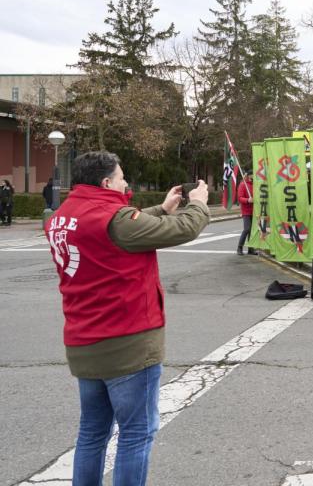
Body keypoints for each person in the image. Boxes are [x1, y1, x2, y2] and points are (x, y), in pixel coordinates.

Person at [46, 151, 209, 485]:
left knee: (92, 433)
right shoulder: (115, 220)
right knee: (136, 433)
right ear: (106, 182)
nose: (126, 183)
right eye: (121, 178)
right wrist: (199, 204)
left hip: (83, 342)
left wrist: (161, 209)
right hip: (128, 343)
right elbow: (181, 229)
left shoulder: (62, 215)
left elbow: (117, 226)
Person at [236, 173, 256, 255]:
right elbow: (240, 198)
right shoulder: (243, 184)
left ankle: (251, 249)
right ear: (248, 175)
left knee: (252, 231)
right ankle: (239, 247)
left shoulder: (255, 184)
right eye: (252, 174)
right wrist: (248, 200)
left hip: (254, 211)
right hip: (246, 211)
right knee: (247, 229)